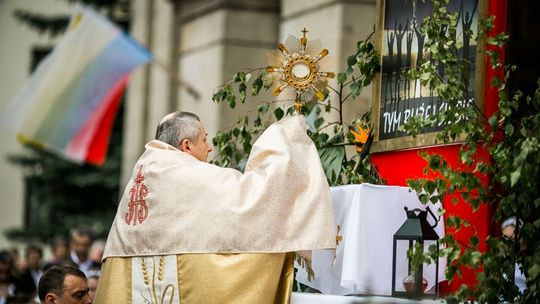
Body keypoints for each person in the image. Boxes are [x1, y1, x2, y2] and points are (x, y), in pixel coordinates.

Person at [94, 111, 336, 303]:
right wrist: (286, 140)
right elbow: (255, 200)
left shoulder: (143, 173)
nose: (209, 147)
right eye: (205, 139)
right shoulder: (189, 174)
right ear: (186, 146)